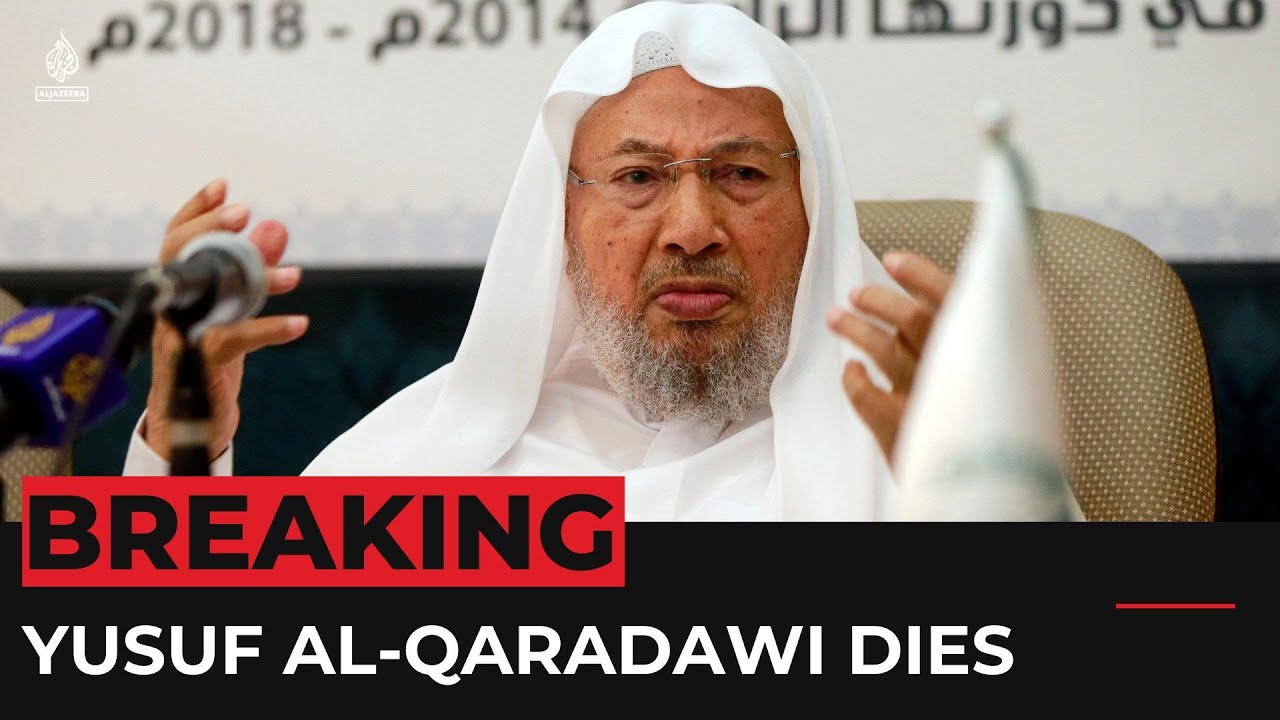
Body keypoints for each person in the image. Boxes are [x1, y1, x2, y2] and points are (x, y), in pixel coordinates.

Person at [123, 1, 959, 520]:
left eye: (741, 174)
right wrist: (184, 433)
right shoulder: (420, 463)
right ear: (561, 221)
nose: (692, 228)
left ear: (812, 206)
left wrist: (972, 473)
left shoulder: (911, 453)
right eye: (638, 178)